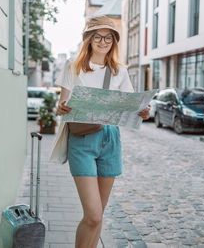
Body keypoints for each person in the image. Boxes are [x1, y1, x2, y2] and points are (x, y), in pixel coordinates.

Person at [53, 16, 150, 248]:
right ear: (88, 39)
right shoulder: (73, 67)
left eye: (108, 37)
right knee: (93, 215)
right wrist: (60, 107)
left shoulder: (120, 72)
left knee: (98, 217)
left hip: (110, 140)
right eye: (97, 36)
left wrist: (143, 112)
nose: (103, 41)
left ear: (113, 41)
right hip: (82, 140)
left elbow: (132, 105)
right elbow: (62, 105)